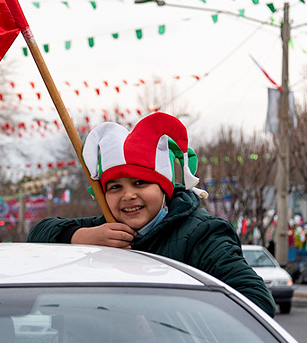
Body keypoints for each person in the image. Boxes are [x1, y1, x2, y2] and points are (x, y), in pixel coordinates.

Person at [27, 112, 276, 317]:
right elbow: (37, 235)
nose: (128, 195)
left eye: (140, 183)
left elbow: (257, 302)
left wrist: (163, 320)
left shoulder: (203, 234)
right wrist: (83, 237)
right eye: (115, 187)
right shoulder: (103, 230)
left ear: (164, 189)